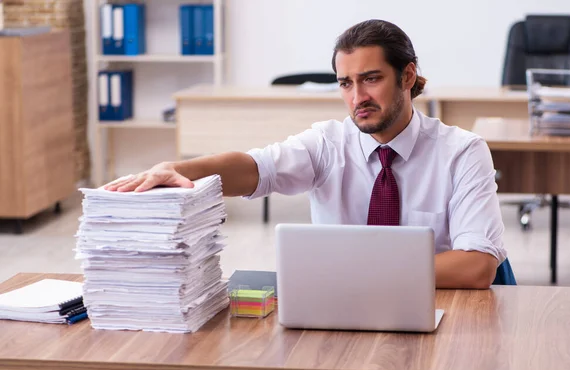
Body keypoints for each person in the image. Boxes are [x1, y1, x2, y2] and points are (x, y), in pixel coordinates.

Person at [105, 19, 507, 289]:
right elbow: (254, 168)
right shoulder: (327, 143)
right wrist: (176, 168)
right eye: (345, 83)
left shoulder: (463, 152)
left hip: (443, 307)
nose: (357, 98)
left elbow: (476, 267)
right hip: (347, 306)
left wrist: (358, 273)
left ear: (407, 76)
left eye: (370, 79)